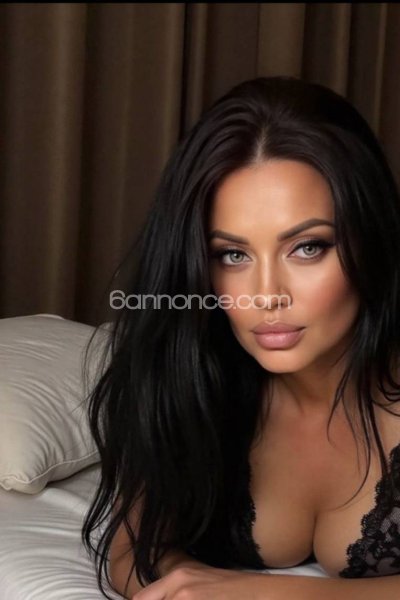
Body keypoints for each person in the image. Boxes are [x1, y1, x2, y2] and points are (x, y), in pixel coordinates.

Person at [81, 76, 400, 600]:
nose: (265, 295)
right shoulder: (184, 378)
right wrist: (184, 581)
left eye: (308, 247)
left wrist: (268, 594)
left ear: (371, 238)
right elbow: (132, 546)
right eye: (233, 255)